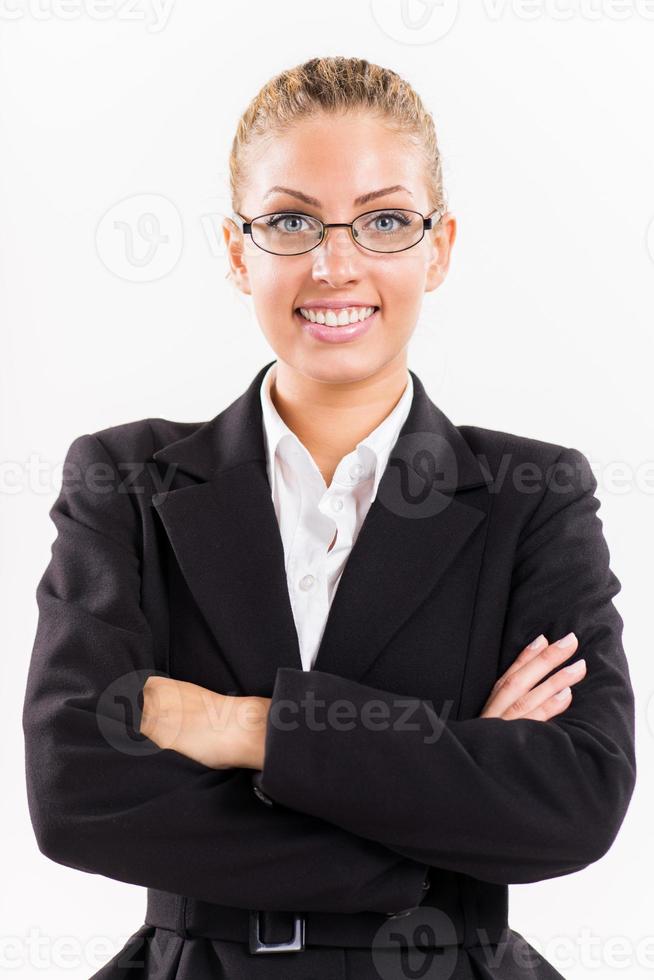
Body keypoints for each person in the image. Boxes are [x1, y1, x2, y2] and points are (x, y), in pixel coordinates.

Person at [22, 56, 636, 980]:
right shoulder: (123, 482)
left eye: (386, 220)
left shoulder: (533, 493)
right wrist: (447, 801)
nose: (334, 262)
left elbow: (577, 798)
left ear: (441, 245)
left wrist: (246, 729)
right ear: (238, 250)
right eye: (290, 220)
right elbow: (76, 790)